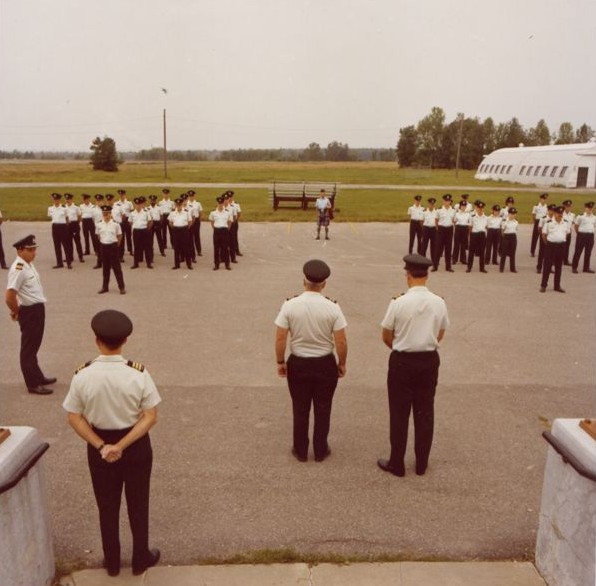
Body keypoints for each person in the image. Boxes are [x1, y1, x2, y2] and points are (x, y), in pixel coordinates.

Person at [62, 309, 161, 577]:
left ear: (97, 340)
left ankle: (113, 562)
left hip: (100, 447)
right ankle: (141, 558)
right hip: (135, 445)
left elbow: (74, 417)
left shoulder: (83, 375)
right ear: (125, 341)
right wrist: (123, 444)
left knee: (107, 506)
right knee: (138, 504)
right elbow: (150, 416)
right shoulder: (138, 373)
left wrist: (103, 446)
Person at [378, 254, 449, 477]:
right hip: (428, 360)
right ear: (426, 276)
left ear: (407, 275)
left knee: (399, 413)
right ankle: (421, 464)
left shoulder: (398, 302)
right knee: (425, 411)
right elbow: (441, 331)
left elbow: (386, 334)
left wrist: (402, 345)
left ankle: (396, 463)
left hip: (402, 360)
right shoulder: (439, 302)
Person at [275, 260, 347, 462]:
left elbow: (281, 337)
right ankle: (320, 449)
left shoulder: (289, 305)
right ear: (324, 284)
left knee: (300, 407)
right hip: (324, 363)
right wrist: (341, 363)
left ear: (303, 281)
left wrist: (280, 361)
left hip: (299, 363)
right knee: (323, 407)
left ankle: (300, 450)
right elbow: (340, 340)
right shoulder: (333, 307)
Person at [5, 234, 56, 395]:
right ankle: (32, 384)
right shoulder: (18, 268)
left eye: (34, 249)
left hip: (37, 309)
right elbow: (9, 296)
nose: (34, 252)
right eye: (30, 250)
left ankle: (38, 376)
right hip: (30, 311)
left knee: (34, 346)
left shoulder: (27, 263)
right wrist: (16, 311)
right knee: (28, 349)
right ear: (20, 250)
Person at [96, 205, 126, 295]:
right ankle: (105, 287)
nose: (106, 215)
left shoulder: (116, 224)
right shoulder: (99, 224)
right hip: (104, 247)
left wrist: (116, 244)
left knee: (117, 268)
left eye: (107, 213)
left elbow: (120, 235)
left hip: (113, 247)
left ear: (110, 214)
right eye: (104, 214)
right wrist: (103, 242)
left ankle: (121, 287)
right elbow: (98, 236)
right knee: (105, 268)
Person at [540, 205, 568, 293]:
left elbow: (566, 234)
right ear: (555, 213)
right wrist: (549, 243)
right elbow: (544, 235)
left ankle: (557, 286)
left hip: (561, 246)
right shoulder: (548, 223)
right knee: (547, 266)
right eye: (558, 213)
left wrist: (560, 240)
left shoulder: (566, 223)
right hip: (551, 246)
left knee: (559, 267)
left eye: (561, 213)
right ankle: (543, 285)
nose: (560, 215)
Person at [48, 192, 72, 269]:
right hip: (55, 227)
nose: (56, 201)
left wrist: (65, 228)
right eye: (54, 200)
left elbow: (67, 218)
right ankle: (59, 263)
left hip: (63, 227)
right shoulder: (50, 208)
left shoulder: (64, 208)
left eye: (57, 200)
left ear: (59, 200)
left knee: (66, 245)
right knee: (57, 245)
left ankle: (69, 263)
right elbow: (51, 217)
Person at [432, 194, 455, 272]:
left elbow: (454, 220)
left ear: (450, 201)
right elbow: (436, 220)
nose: (447, 202)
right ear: (443, 201)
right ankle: (435, 266)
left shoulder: (453, 210)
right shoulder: (439, 210)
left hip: (449, 229)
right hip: (441, 229)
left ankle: (448, 267)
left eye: (448, 201)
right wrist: (438, 229)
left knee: (448, 249)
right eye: (445, 201)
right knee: (438, 248)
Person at [169, 197, 193, 270]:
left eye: (180, 205)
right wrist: (174, 227)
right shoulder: (172, 213)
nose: (179, 206)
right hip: (176, 231)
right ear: (176, 205)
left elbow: (190, 222)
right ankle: (177, 265)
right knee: (176, 249)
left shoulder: (186, 212)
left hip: (184, 230)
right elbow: (170, 222)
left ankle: (189, 265)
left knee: (186, 248)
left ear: (182, 204)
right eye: (177, 205)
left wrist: (185, 228)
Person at [571, 201, 595, 274]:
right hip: (582, 235)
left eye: (591, 208)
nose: (590, 210)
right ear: (585, 208)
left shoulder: (594, 217)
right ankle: (574, 267)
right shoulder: (580, 216)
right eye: (588, 208)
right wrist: (579, 234)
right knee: (578, 251)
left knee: (588, 252)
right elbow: (576, 226)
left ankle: (586, 267)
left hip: (590, 236)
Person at [209, 196, 232, 270]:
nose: (220, 205)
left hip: (224, 231)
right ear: (217, 203)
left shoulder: (227, 212)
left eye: (221, 203)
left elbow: (229, 222)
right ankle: (216, 265)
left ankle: (227, 264)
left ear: (223, 203)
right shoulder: (213, 213)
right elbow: (212, 222)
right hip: (217, 231)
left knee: (225, 249)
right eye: (219, 203)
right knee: (216, 249)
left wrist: (226, 229)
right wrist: (215, 228)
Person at [130, 197, 153, 269]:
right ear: (135, 205)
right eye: (136, 204)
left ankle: (148, 263)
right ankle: (135, 263)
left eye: (139, 204)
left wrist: (146, 229)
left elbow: (150, 221)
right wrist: (135, 227)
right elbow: (130, 222)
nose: (138, 206)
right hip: (136, 232)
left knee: (147, 248)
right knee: (136, 248)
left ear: (141, 205)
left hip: (144, 231)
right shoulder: (132, 213)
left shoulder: (146, 212)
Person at [466, 201, 488, 273]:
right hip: (474, 235)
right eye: (479, 208)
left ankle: (482, 268)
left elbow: (487, 227)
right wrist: (470, 236)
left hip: (482, 235)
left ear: (483, 208)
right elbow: (470, 227)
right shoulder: (472, 217)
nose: (480, 209)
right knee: (471, 252)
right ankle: (469, 267)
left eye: (481, 208)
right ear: (476, 208)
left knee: (482, 252)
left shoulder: (486, 218)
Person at [64, 193, 84, 263]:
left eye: (69, 199)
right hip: (67, 226)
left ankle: (80, 256)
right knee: (69, 243)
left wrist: (76, 224)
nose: (67, 200)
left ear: (72, 199)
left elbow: (79, 217)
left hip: (74, 225)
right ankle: (70, 257)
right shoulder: (64, 207)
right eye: (66, 199)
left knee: (77, 242)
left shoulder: (76, 207)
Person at [500, 207, 518, 273]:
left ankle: (512, 268)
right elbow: (502, 231)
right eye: (511, 214)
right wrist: (505, 238)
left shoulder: (516, 222)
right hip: (506, 237)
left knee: (513, 253)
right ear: (509, 214)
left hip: (513, 237)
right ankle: (501, 268)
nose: (513, 215)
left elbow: (516, 229)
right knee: (504, 253)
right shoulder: (504, 221)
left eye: (514, 214)